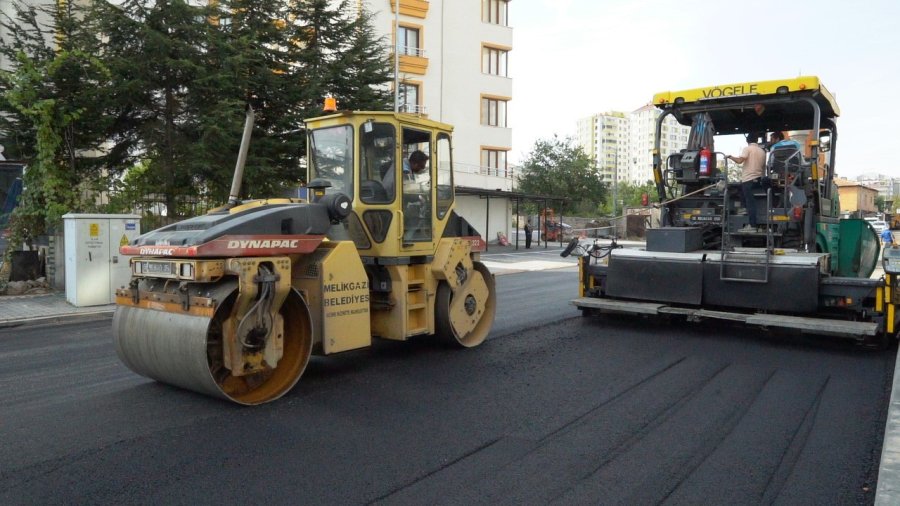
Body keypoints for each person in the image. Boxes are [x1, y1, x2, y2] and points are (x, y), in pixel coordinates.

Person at [727, 133, 766, 231]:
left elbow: (740, 161)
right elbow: (763, 167)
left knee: (750, 203)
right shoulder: (762, 151)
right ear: (756, 140)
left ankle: (752, 225)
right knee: (741, 188)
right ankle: (744, 208)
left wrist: (730, 156)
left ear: (747, 141)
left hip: (748, 179)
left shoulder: (747, 149)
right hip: (758, 179)